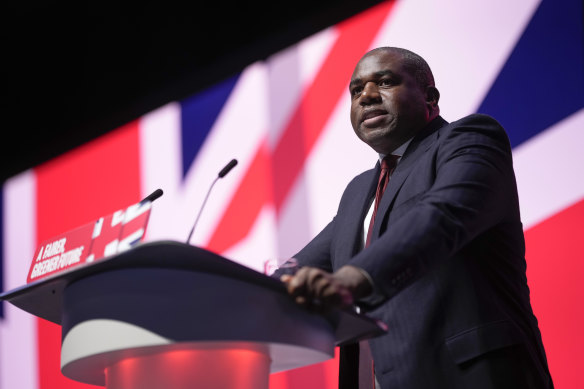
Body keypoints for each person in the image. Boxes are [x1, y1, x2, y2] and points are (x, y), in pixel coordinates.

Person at [277, 47, 554, 389]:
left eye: (386, 82)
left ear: (429, 97)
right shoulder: (358, 191)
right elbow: (299, 269)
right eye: (356, 90)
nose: (367, 96)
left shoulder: (469, 139)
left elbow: (444, 215)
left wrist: (354, 278)